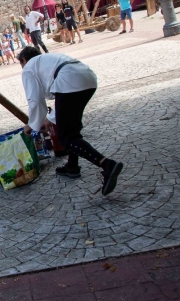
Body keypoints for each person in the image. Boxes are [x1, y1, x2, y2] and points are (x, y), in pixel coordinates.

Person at [17, 46, 123, 196]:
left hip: (69, 83)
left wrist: (31, 125)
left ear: (23, 60)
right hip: (88, 79)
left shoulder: (28, 67)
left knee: (66, 138)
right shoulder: (47, 59)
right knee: (71, 130)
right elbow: (59, 100)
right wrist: (48, 119)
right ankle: (72, 166)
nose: (22, 67)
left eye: (21, 63)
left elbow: (35, 100)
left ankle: (107, 164)